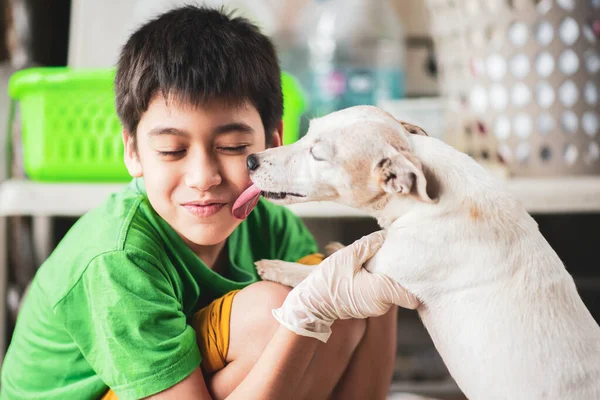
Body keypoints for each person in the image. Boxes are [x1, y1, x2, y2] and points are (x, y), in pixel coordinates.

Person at [0, 6, 417, 400]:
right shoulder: (117, 258)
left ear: (273, 144)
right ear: (133, 152)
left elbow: (344, 337)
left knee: (359, 288)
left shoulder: (268, 226)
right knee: (285, 306)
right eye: (171, 150)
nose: (203, 178)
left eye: (233, 147)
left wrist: (373, 301)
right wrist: (303, 315)